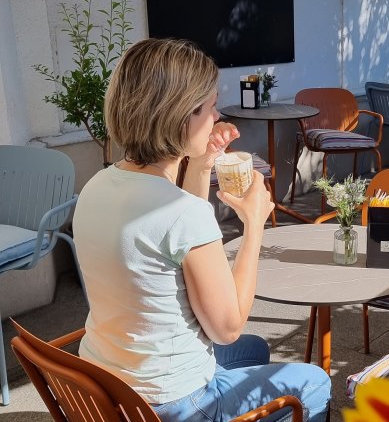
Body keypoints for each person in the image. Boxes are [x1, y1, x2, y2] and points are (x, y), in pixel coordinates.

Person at [72, 38, 331, 421]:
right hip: (172, 402)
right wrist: (255, 225)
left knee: (254, 350)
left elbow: (179, 230)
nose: (216, 117)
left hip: (110, 386)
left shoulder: (97, 187)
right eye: (210, 107)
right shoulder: (181, 213)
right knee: (314, 380)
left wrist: (204, 162)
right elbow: (226, 327)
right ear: (181, 117)